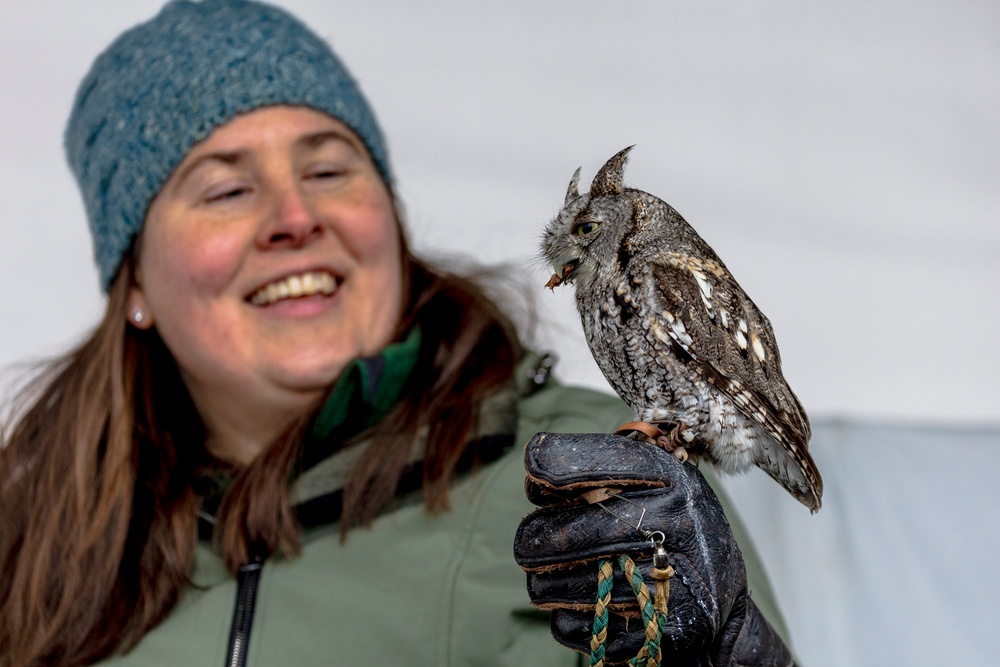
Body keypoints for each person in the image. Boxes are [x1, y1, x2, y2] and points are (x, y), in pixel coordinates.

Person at [0, 1, 797, 665]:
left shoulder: (599, 472)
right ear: (132, 279)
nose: (294, 217)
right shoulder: (34, 542)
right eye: (227, 188)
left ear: (389, 217)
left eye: (327, 170)